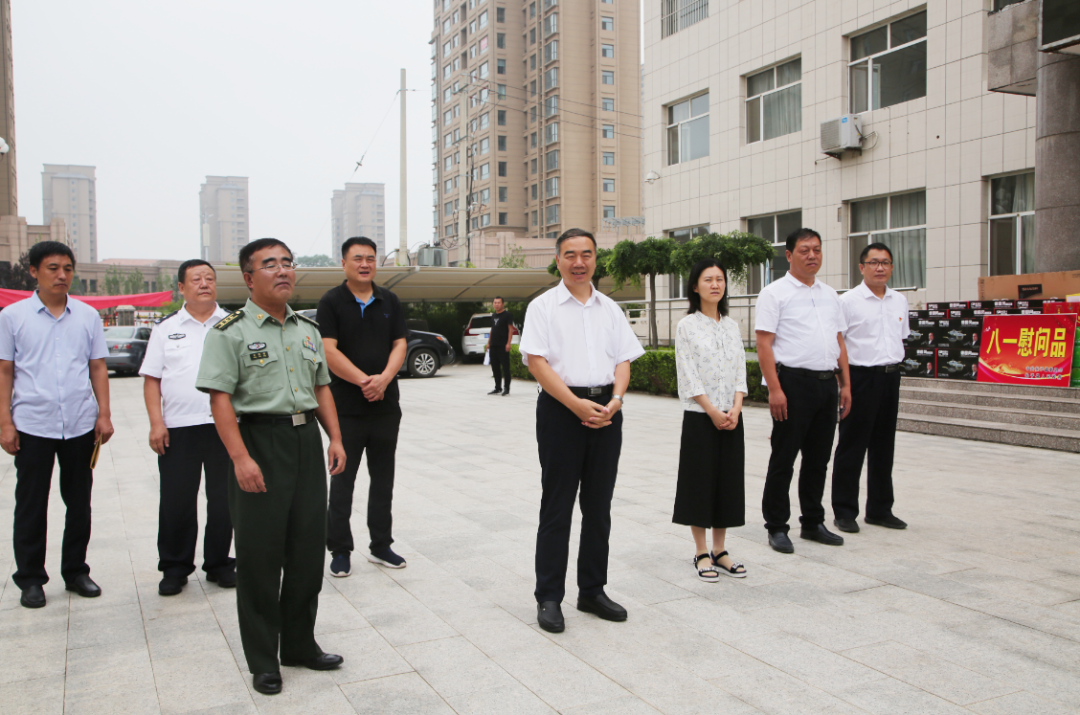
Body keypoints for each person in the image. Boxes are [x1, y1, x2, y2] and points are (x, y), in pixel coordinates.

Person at [196, 238, 347, 696]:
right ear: (248, 278)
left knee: (307, 552)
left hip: (305, 442)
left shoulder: (307, 329)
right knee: (260, 558)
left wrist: (335, 437)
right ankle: (263, 659)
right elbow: (220, 400)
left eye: (287, 263)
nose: (282, 271)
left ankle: (299, 644)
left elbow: (321, 387)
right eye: (270, 264)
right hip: (259, 441)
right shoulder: (230, 332)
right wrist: (240, 458)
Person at [519, 228, 644, 634]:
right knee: (557, 505)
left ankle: (592, 590)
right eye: (570, 255)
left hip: (606, 410)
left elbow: (624, 359)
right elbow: (536, 363)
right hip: (561, 411)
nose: (579, 262)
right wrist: (575, 405)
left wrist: (616, 400)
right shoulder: (542, 307)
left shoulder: (610, 308)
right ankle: (549, 597)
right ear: (558, 260)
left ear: (595, 259)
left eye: (586, 254)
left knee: (598, 505)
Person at [0, 241, 114, 609]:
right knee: (31, 505)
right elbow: (5, 371)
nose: (62, 275)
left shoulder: (87, 316)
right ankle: (31, 578)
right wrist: (5, 422)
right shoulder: (12, 316)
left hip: (80, 423)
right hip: (32, 423)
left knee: (79, 502)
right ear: (34, 271)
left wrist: (104, 414)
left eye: (67, 268)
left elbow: (97, 366)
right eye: (53, 268)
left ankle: (76, 571)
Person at [140, 259, 235, 596]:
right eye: (196, 279)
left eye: (209, 278)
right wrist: (157, 423)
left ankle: (219, 563)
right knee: (176, 500)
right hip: (179, 428)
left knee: (224, 500)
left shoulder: (232, 324)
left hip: (226, 427)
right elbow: (152, 380)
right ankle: (175, 567)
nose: (204, 284)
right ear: (181, 287)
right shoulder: (165, 329)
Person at [754, 228, 851, 554]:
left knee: (818, 459)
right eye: (805, 250)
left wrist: (845, 384)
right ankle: (777, 526)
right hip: (792, 384)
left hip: (826, 384)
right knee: (784, 458)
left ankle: (812, 521)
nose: (812, 255)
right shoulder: (774, 293)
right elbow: (764, 344)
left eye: (817, 250)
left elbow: (839, 341)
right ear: (789, 255)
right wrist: (775, 390)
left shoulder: (831, 295)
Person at [316, 236, 408, 577]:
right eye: (357, 258)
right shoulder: (331, 302)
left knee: (383, 480)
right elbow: (328, 350)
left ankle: (381, 545)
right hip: (345, 409)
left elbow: (400, 343)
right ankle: (340, 549)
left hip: (385, 408)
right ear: (344, 263)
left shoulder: (389, 300)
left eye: (370, 258)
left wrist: (383, 380)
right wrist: (364, 382)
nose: (365, 264)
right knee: (343, 482)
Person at [673, 260, 748, 581]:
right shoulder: (686, 326)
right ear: (695, 286)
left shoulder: (731, 326)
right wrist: (712, 410)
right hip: (700, 418)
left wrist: (736, 408)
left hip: (731, 417)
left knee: (727, 483)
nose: (715, 284)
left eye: (720, 279)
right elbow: (687, 374)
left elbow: (741, 370)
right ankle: (701, 551)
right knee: (699, 482)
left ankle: (720, 549)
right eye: (708, 279)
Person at [831, 243, 909, 533]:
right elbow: (838, 344)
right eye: (874, 262)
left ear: (892, 267)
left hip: (890, 377)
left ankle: (880, 509)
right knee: (852, 445)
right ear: (861, 267)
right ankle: (844, 511)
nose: (880, 268)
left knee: (884, 446)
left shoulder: (899, 300)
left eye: (885, 263)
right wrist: (844, 384)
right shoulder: (848, 302)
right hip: (859, 378)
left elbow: (900, 338)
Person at [486, 296, 515, 396]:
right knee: (495, 367)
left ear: (503, 304)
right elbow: (492, 330)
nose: (496, 304)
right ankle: (497, 387)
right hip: (493, 345)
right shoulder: (493, 315)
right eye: (495, 302)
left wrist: (508, 343)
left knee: (505, 367)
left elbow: (510, 329)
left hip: (503, 345)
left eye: (498, 302)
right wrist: (489, 343)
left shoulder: (507, 315)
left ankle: (506, 388)